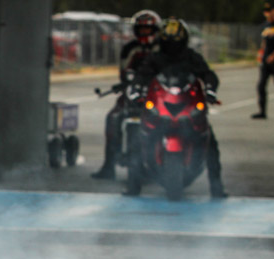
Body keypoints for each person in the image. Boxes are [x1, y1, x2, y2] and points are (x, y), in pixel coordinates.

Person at [131, 17, 226, 198]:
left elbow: (208, 74)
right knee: (137, 137)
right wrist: (135, 90)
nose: (172, 44)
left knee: (210, 142)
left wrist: (210, 90)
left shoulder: (191, 57)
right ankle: (132, 187)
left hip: (187, 105)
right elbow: (141, 75)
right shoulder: (155, 58)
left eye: (175, 39)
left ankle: (217, 187)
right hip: (162, 106)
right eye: (168, 39)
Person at [91, 10, 161, 181]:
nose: (144, 32)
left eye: (148, 29)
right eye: (141, 29)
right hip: (133, 93)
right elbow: (124, 71)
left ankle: (165, 163)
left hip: (158, 96)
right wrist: (128, 82)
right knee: (113, 118)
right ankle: (109, 166)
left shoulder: (163, 49)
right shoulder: (129, 48)